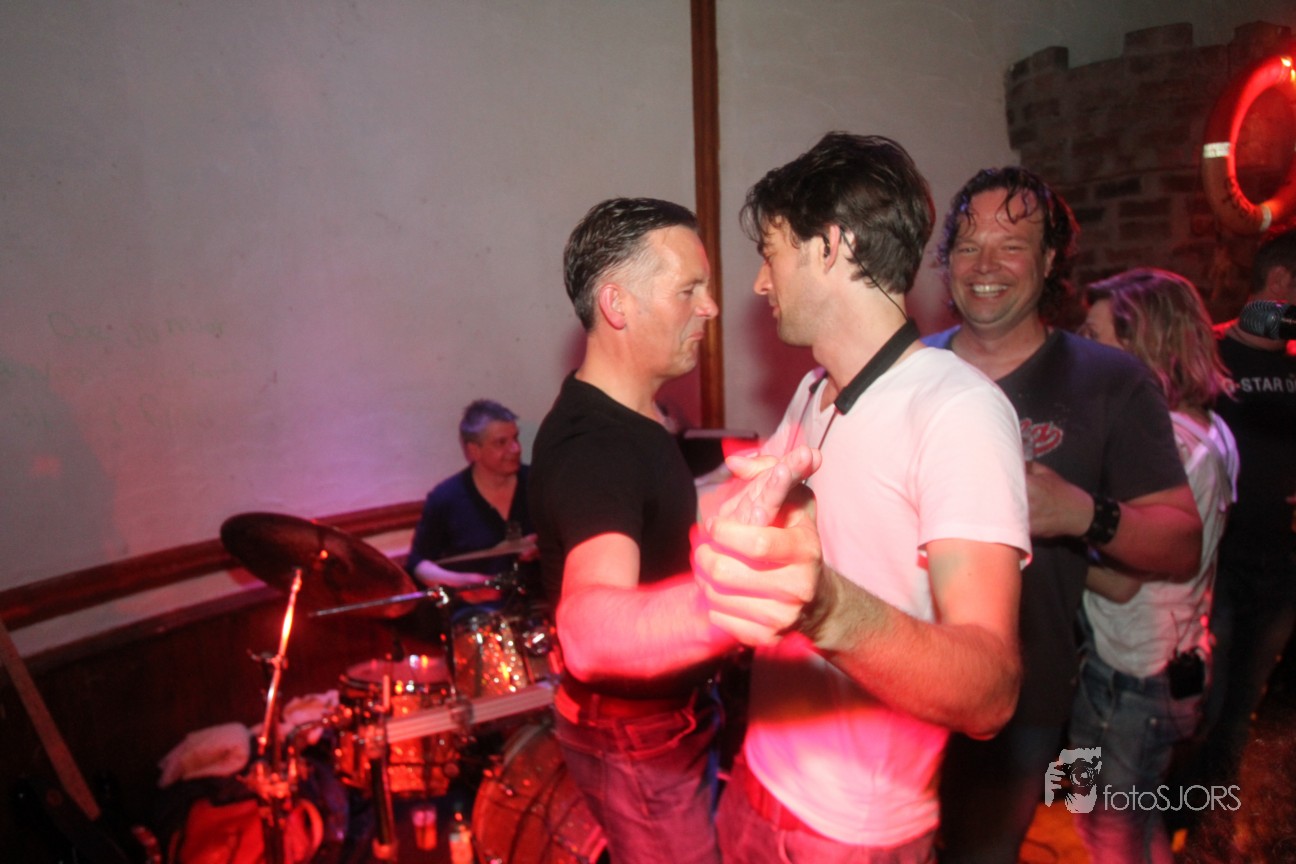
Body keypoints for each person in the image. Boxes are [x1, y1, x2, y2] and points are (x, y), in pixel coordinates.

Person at [692, 132, 1031, 864]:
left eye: (771, 253)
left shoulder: (957, 411)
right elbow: (733, 501)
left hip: (852, 839)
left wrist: (824, 606)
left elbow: (991, 688)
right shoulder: (815, 392)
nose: (760, 283)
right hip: (758, 784)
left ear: (831, 247)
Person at [925, 167, 1202, 864]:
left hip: (1019, 700)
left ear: (1050, 260)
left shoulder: (1108, 380)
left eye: (1011, 245)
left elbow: (1181, 543)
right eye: (967, 246)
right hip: (894, 678)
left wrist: (1080, 513)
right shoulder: (910, 370)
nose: (984, 265)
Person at [528, 197, 728, 864]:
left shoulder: (632, 418)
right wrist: (747, 605)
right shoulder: (597, 445)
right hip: (640, 740)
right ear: (617, 305)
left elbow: (646, 516)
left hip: (659, 728)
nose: (710, 308)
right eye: (688, 290)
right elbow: (592, 625)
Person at [1069, 268, 1238, 863]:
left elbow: (1119, 583)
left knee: (1108, 835)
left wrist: (1045, 545)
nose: (1079, 346)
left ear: (1142, 347)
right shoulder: (1209, 429)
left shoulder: (1165, 446)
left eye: (1094, 335)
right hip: (1143, 673)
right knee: (1112, 821)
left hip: (1129, 684)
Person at [1174, 228, 1296, 849]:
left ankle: (1207, 837)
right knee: (1201, 706)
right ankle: (1152, 817)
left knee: (1240, 710)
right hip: (1217, 566)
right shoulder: (1210, 356)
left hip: (1283, 569)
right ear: (1279, 283)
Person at [405, 399, 537, 601]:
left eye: (515, 438)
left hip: (542, 602)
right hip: (479, 610)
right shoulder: (446, 499)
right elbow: (417, 563)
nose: (516, 449)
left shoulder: (539, 483)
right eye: (501, 443)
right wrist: (460, 582)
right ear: (474, 451)